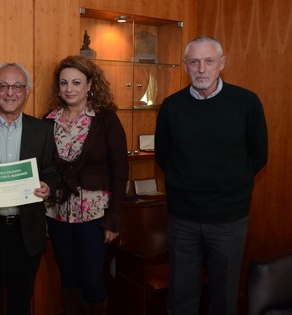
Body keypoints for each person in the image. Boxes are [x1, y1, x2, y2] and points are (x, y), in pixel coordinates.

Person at [155, 36, 268, 315]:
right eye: (194, 62)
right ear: (185, 66)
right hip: (183, 218)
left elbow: (258, 155)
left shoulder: (247, 102)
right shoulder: (171, 106)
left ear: (222, 64)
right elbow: (163, 155)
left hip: (229, 218)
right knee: (181, 295)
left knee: (224, 297)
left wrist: (228, 186)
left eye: (208, 61)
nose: (201, 69)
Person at [0, 62, 60, 315]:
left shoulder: (42, 131)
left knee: (20, 303)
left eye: (17, 86)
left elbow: (52, 171)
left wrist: (48, 186)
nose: (10, 92)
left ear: (26, 91)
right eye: (3, 86)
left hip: (26, 234)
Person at [44, 55, 128, 314]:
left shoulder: (106, 119)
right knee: (68, 277)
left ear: (90, 84)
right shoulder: (48, 121)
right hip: (57, 214)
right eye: (64, 83)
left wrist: (114, 218)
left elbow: (120, 170)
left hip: (94, 215)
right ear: (58, 87)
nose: (69, 89)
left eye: (76, 82)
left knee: (92, 279)